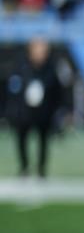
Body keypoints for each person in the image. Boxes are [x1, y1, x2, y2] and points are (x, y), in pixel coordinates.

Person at [7, 38, 64, 178]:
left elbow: (57, 92)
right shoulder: (22, 66)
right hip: (25, 112)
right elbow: (14, 88)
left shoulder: (50, 69)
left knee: (43, 139)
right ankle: (24, 167)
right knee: (22, 138)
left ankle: (41, 169)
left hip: (43, 112)